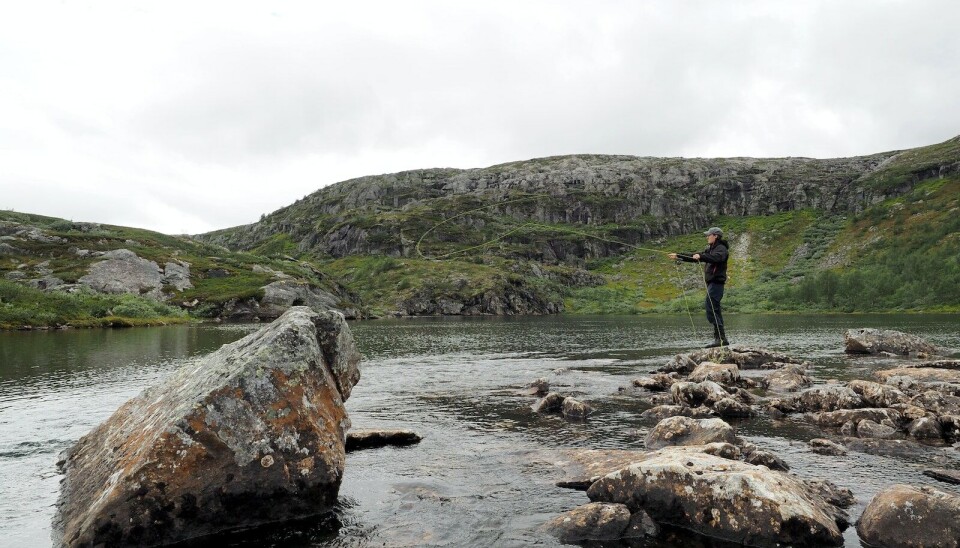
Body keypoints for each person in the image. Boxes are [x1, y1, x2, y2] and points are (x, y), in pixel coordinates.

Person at [668, 227, 730, 348]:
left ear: (715, 236)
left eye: (709, 235)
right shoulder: (710, 249)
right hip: (712, 284)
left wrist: (701, 257)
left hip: (717, 283)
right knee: (714, 309)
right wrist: (679, 256)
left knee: (711, 308)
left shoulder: (721, 249)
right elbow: (696, 256)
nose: (707, 237)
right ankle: (721, 339)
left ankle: (721, 339)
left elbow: (717, 258)